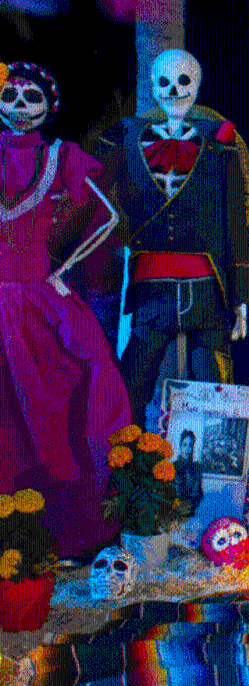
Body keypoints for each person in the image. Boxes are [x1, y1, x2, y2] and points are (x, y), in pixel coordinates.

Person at [0, 61, 132, 558]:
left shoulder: (62, 158)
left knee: (54, 408)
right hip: (14, 296)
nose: (18, 107)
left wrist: (61, 269)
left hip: (39, 297)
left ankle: (56, 530)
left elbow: (108, 216)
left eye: (30, 98)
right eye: (10, 96)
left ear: (48, 108)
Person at [104, 49, 249, 427]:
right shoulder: (125, 138)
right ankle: (133, 470)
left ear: (197, 85)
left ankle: (216, 478)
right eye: (164, 82)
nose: (173, 90)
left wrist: (240, 296)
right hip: (152, 289)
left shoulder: (221, 142)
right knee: (131, 388)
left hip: (208, 288)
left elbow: (234, 220)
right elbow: (104, 204)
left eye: (183, 81)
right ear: (152, 87)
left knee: (216, 392)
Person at [173, 429, 204, 516]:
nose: (187, 449)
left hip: (191, 512)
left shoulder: (197, 468)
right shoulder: (173, 467)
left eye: (190, 445)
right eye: (184, 445)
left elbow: (198, 492)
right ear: (180, 446)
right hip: (174, 512)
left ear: (193, 448)